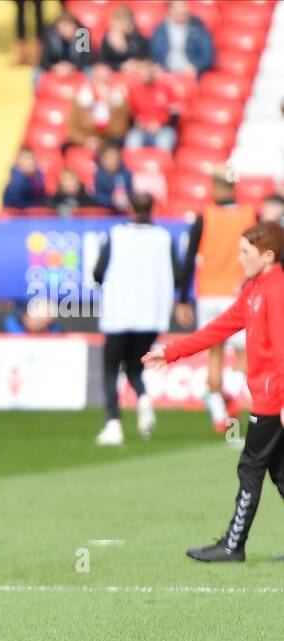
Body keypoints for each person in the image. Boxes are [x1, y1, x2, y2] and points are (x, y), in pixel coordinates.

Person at [142, 221, 284, 560]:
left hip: (272, 397)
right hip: (268, 394)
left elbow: (282, 348)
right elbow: (219, 328)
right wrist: (173, 351)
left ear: (268, 255)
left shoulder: (276, 291)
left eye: (245, 252)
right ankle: (233, 545)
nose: (238, 258)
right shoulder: (254, 289)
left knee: (251, 466)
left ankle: (233, 545)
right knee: (278, 470)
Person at [91, 192, 182, 445]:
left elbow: (98, 271)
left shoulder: (116, 235)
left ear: (130, 207)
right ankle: (143, 399)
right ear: (153, 207)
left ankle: (113, 424)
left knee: (111, 370)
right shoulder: (164, 238)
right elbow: (178, 274)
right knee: (134, 366)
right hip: (151, 316)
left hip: (118, 314)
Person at [177, 168, 259, 432]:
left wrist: (182, 299)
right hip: (238, 294)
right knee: (243, 356)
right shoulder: (249, 216)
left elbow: (189, 259)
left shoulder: (204, 217)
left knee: (214, 354)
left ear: (215, 187)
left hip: (208, 294)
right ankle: (229, 395)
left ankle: (217, 415)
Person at [150, 0, 214, 77]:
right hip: (166, 73)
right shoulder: (160, 29)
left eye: (185, 12)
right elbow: (154, 52)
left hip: (189, 73)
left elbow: (207, 52)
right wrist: (157, 66)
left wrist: (196, 66)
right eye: (179, 12)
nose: (182, 14)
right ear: (170, 11)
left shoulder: (197, 26)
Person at [125, 58, 176, 150]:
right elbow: (130, 114)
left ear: (153, 70)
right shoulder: (133, 90)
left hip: (162, 128)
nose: (146, 73)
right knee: (132, 142)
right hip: (140, 129)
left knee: (164, 142)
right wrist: (138, 123)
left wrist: (161, 124)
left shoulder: (165, 88)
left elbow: (174, 114)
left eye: (148, 69)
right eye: (142, 70)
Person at [99, 4, 149, 71]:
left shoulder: (136, 38)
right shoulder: (107, 40)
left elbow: (143, 55)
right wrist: (121, 66)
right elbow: (104, 64)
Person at [92, 143, 133, 212]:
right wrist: (112, 201)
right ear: (102, 159)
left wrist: (126, 200)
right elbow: (98, 196)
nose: (112, 161)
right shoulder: (99, 175)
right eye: (108, 158)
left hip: (124, 211)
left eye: (115, 158)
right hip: (105, 212)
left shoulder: (126, 173)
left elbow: (131, 192)